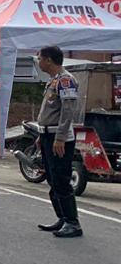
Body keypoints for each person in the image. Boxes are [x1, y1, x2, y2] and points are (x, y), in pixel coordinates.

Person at [35, 46, 84, 238]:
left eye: (40, 58)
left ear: (48, 60)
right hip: (48, 135)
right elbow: (50, 111)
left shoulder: (66, 80)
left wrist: (60, 138)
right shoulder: (53, 80)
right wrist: (41, 135)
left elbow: (67, 111)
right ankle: (62, 218)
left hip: (59, 138)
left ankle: (73, 222)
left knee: (61, 180)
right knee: (52, 179)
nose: (38, 62)